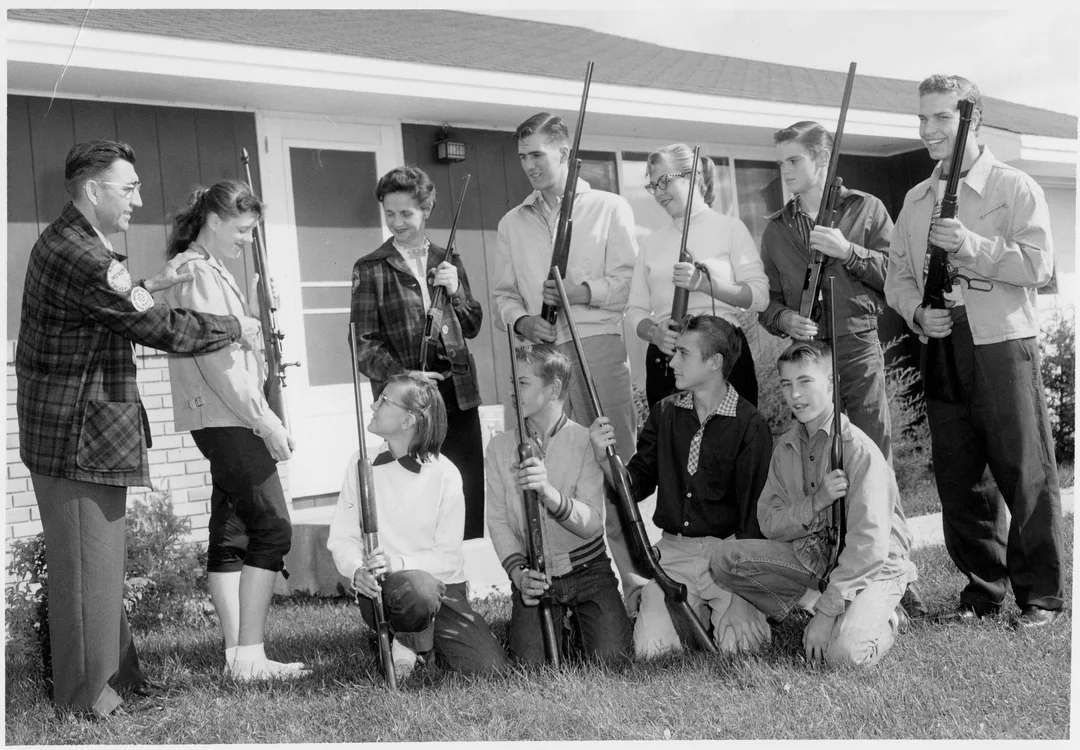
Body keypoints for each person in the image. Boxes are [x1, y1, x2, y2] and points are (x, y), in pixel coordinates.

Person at [15, 140, 259, 717]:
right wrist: (235, 326)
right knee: (84, 572)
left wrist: (154, 276)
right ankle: (87, 703)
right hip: (76, 434)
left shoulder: (78, 243)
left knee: (97, 568)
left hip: (81, 429)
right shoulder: (85, 254)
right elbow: (154, 324)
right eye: (128, 188)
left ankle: (120, 685)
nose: (138, 199)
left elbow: (114, 306)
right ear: (93, 190)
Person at [884, 75, 1064, 629]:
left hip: (1002, 343)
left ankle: (1041, 597)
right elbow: (897, 276)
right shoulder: (916, 200)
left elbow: (1039, 266)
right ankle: (983, 589)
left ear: (972, 120)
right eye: (923, 119)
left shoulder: (1014, 187)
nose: (929, 130)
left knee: (1023, 469)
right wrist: (918, 313)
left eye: (942, 118)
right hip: (941, 343)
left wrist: (969, 244)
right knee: (959, 476)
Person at [492, 111, 647, 605]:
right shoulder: (511, 222)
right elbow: (502, 295)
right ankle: (561, 586)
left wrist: (579, 292)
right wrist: (522, 322)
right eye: (522, 157)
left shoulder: (609, 207)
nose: (529, 165)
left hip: (597, 346)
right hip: (540, 359)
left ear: (564, 154)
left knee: (612, 464)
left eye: (538, 154)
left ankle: (637, 587)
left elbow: (628, 285)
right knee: (545, 466)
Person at [161, 181, 307, 680]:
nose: (247, 239)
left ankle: (236, 656)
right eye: (243, 230)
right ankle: (250, 654)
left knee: (232, 530)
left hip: (220, 416)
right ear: (215, 221)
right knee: (273, 527)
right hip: (230, 416)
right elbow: (221, 362)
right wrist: (264, 421)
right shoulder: (200, 273)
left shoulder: (204, 267)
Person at [710, 341, 918, 668]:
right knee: (725, 559)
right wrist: (815, 503)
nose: (795, 394)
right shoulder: (786, 448)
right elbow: (769, 522)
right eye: (787, 384)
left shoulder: (857, 450)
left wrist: (825, 617)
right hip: (816, 558)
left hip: (874, 567)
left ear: (831, 383)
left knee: (844, 657)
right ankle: (822, 604)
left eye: (805, 381)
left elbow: (869, 547)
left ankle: (889, 616)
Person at [589, 315, 773, 657]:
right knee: (651, 652)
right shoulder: (664, 413)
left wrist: (744, 597)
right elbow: (637, 484)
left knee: (743, 649)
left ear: (714, 362)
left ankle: (717, 616)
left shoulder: (751, 426)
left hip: (729, 555)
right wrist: (605, 461)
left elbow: (754, 520)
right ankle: (688, 616)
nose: (671, 361)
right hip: (674, 553)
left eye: (683, 354)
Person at [327, 374, 509, 680]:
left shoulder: (445, 474)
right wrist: (357, 569)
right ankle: (407, 643)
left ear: (407, 421)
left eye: (384, 400)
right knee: (417, 591)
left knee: (488, 669)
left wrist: (398, 562)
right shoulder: (360, 463)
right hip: (386, 592)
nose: (373, 404)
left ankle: (418, 643)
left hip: (443, 590)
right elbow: (343, 535)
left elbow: (449, 559)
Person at [351, 166, 486, 540]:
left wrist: (457, 290)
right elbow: (362, 343)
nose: (396, 222)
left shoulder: (448, 258)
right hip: (407, 399)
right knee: (415, 491)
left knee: (465, 485)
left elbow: (472, 325)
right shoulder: (371, 267)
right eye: (389, 213)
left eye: (406, 213)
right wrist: (406, 376)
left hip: (457, 394)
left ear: (426, 210)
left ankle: (465, 576)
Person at [486, 344, 632, 665]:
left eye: (522, 383)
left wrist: (547, 492)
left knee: (613, 661)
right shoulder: (498, 448)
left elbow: (592, 522)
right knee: (531, 668)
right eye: (513, 383)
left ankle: (576, 627)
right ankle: (564, 628)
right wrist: (518, 575)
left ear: (553, 389)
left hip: (588, 570)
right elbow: (497, 521)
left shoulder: (585, 441)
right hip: (535, 575)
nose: (513, 391)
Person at [758, 121, 894, 462]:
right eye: (781, 163)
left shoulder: (867, 209)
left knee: (871, 450)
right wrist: (785, 318)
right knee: (817, 456)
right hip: (807, 353)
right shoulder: (775, 230)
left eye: (794, 161)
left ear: (822, 158)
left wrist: (849, 252)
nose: (785, 171)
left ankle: (881, 518)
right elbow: (766, 302)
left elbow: (898, 276)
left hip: (857, 345)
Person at [626, 143, 768, 407]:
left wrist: (705, 284)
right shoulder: (650, 244)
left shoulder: (730, 229)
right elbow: (634, 310)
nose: (659, 192)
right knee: (672, 444)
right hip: (668, 359)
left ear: (694, 178)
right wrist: (655, 333)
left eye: (665, 181)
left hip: (723, 354)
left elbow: (759, 297)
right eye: (653, 185)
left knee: (732, 442)